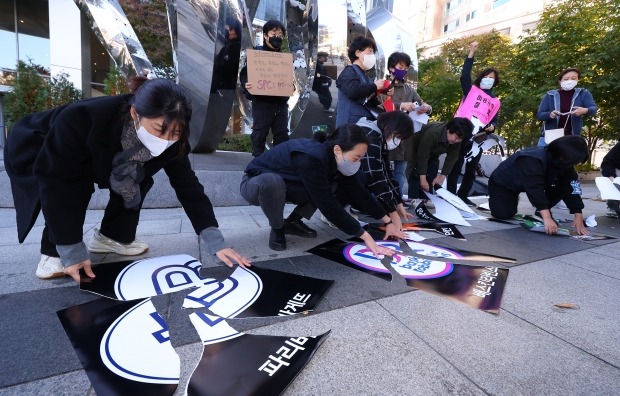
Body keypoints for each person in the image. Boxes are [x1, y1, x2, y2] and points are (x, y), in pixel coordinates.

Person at [4, 77, 251, 282]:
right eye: (158, 129)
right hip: (41, 145)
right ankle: (52, 251)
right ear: (135, 113)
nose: (165, 140)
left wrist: (216, 243)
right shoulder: (81, 118)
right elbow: (57, 182)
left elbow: (189, 188)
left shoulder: (175, 142)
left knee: (137, 178)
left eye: (175, 132)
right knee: (74, 186)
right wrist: (70, 249)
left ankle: (112, 237)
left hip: (110, 156)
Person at [240, 124, 408, 254]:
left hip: (291, 184)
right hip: (256, 184)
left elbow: (359, 192)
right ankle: (278, 227)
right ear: (338, 149)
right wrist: (365, 236)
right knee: (272, 182)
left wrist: (388, 222)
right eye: (356, 157)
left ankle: (292, 222)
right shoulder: (311, 157)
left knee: (335, 183)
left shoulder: (334, 158)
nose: (358, 163)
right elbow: (327, 204)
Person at [488, 135, 589, 235]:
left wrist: (578, 216)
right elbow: (534, 189)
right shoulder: (531, 159)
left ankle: (541, 211)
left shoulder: (566, 163)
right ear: (562, 155)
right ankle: (502, 199)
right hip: (504, 183)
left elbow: (571, 187)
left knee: (562, 186)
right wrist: (547, 218)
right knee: (503, 214)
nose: (572, 165)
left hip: (532, 183)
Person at [447, 41, 500, 207]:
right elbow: (464, 75)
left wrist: (493, 127)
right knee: (455, 165)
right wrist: (471, 52)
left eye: (492, 78)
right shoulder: (471, 91)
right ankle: (450, 194)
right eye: (486, 76)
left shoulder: (495, 101)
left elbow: (494, 119)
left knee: (471, 168)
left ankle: (463, 195)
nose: (489, 80)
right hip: (461, 132)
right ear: (481, 78)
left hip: (477, 138)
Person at [382, 51, 433, 198]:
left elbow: (423, 104)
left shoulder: (409, 89)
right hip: (388, 133)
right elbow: (379, 106)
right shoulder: (383, 85)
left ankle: (397, 199)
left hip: (406, 137)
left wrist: (427, 108)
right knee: (383, 168)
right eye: (401, 66)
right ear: (391, 67)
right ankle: (383, 198)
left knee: (401, 171)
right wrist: (400, 105)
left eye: (406, 67)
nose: (403, 70)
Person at [239, 20, 290, 157]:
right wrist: (247, 84)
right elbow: (244, 74)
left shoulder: (285, 58)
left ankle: (280, 164)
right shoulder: (257, 54)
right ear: (266, 35)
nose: (277, 37)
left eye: (280, 35)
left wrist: (290, 85)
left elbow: (291, 80)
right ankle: (257, 164)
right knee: (259, 134)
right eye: (274, 33)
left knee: (282, 135)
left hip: (280, 103)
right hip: (262, 103)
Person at [356, 111, 415, 230]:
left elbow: (387, 172)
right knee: (361, 178)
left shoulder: (378, 136)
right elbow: (375, 177)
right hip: (334, 178)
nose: (398, 141)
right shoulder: (370, 136)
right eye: (398, 137)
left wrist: (398, 204)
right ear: (389, 127)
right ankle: (335, 208)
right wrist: (392, 214)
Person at [404, 118, 474, 204]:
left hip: (434, 153)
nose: (457, 141)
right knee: (415, 172)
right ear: (449, 130)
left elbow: (452, 157)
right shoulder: (433, 133)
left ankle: (426, 198)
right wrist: (422, 179)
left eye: (460, 140)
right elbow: (422, 156)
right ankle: (414, 197)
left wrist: (442, 176)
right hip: (417, 148)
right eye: (456, 137)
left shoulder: (457, 139)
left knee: (432, 170)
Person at [335, 36, 388, 128]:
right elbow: (352, 90)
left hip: (362, 125)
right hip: (349, 127)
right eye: (370, 51)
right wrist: (374, 86)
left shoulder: (365, 76)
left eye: (373, 52)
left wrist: (383, 91)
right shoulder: (349, 71)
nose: (373, 55)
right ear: (358, 53)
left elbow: (369, 100)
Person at [536, 68, 598, 146]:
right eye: (566, 78)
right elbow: (539, 115)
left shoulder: (583, 93)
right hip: (549, 138)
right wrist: (550, 114)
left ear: (578, 80)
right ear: (560, 81)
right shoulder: (550, 95)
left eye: (573, 78)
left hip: (572, 139)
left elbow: (593, 108)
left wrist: (585, 110)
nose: (570, 81)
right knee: (543, 157)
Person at [211, 18, 242, 92]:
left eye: (229, 29)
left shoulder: (235, 46)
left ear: (235, 31)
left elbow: (226, 65)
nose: (227, 32)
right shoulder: (231, 43)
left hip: (220, 80)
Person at [600, 141, 620, 219]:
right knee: (615, 186)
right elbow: (607, 162)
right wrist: (611, 177)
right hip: (614, 168)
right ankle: (613, 207)